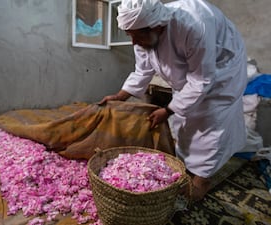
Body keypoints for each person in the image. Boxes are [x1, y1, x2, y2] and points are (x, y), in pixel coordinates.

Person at [99, 0, 248, 201]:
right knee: (184, 120)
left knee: (210, 120)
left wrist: (167, 110)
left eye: (137, 35)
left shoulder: (195, 24)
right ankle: (185, 164)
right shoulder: (142, 31)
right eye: (129, 35)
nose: (133, 42)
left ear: (158, 27)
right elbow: (143, 69)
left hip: (222, 69)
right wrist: (120, 96)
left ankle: (202, 178)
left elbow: (201, 79)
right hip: (194, 73)